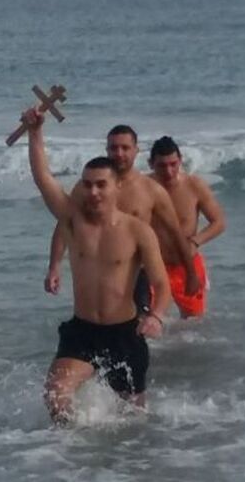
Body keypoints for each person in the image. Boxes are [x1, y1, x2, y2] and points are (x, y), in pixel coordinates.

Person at [23, 107, 173, 426]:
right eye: (88, 184)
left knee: (133, 422)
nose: (93, 192)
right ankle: (69, 452)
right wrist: (35, 133)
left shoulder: (137, 231)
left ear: (116, 187)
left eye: (101, 185)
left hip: (125, 335)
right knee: (55, 396)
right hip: (83, 332)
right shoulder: (73, 223)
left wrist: (156, 316)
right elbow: (43, 178)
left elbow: (161, 284)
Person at [44, 126, 199, 312]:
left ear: (136, 150)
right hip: (97, 269)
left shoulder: (151, 190)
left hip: (136, 272)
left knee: (141, 322)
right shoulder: (90, 187)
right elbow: (66, 223)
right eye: (113, 148)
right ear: (107, 150)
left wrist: (191, 272)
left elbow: (175, 233)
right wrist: (54, 266)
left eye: (125, 148)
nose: (119, 153)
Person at [146, 136, 226, 318]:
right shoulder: (144, 188)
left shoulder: (194, 185)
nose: (168, 171)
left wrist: (196, 241)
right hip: (154, 266)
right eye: (161, 166)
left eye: (173, 164)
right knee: (147, 321)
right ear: (151, 164)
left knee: (193, 323)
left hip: (186, 264)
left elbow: (219, 222)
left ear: (181, 160)